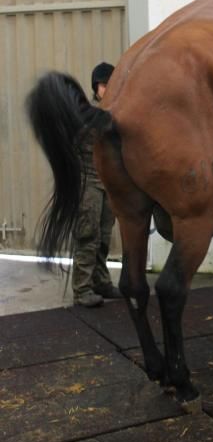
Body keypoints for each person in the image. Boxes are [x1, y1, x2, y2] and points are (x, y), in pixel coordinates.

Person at [72, 62, 122, 307]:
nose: (107, 88)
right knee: (87, 234)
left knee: (103, 236)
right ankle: (82, 290)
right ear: (96, 87)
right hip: (87, 182)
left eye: (111, 83)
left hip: (107, 183)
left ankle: (101, 282)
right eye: (104, 84)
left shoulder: (116, 111)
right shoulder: (85, 113)